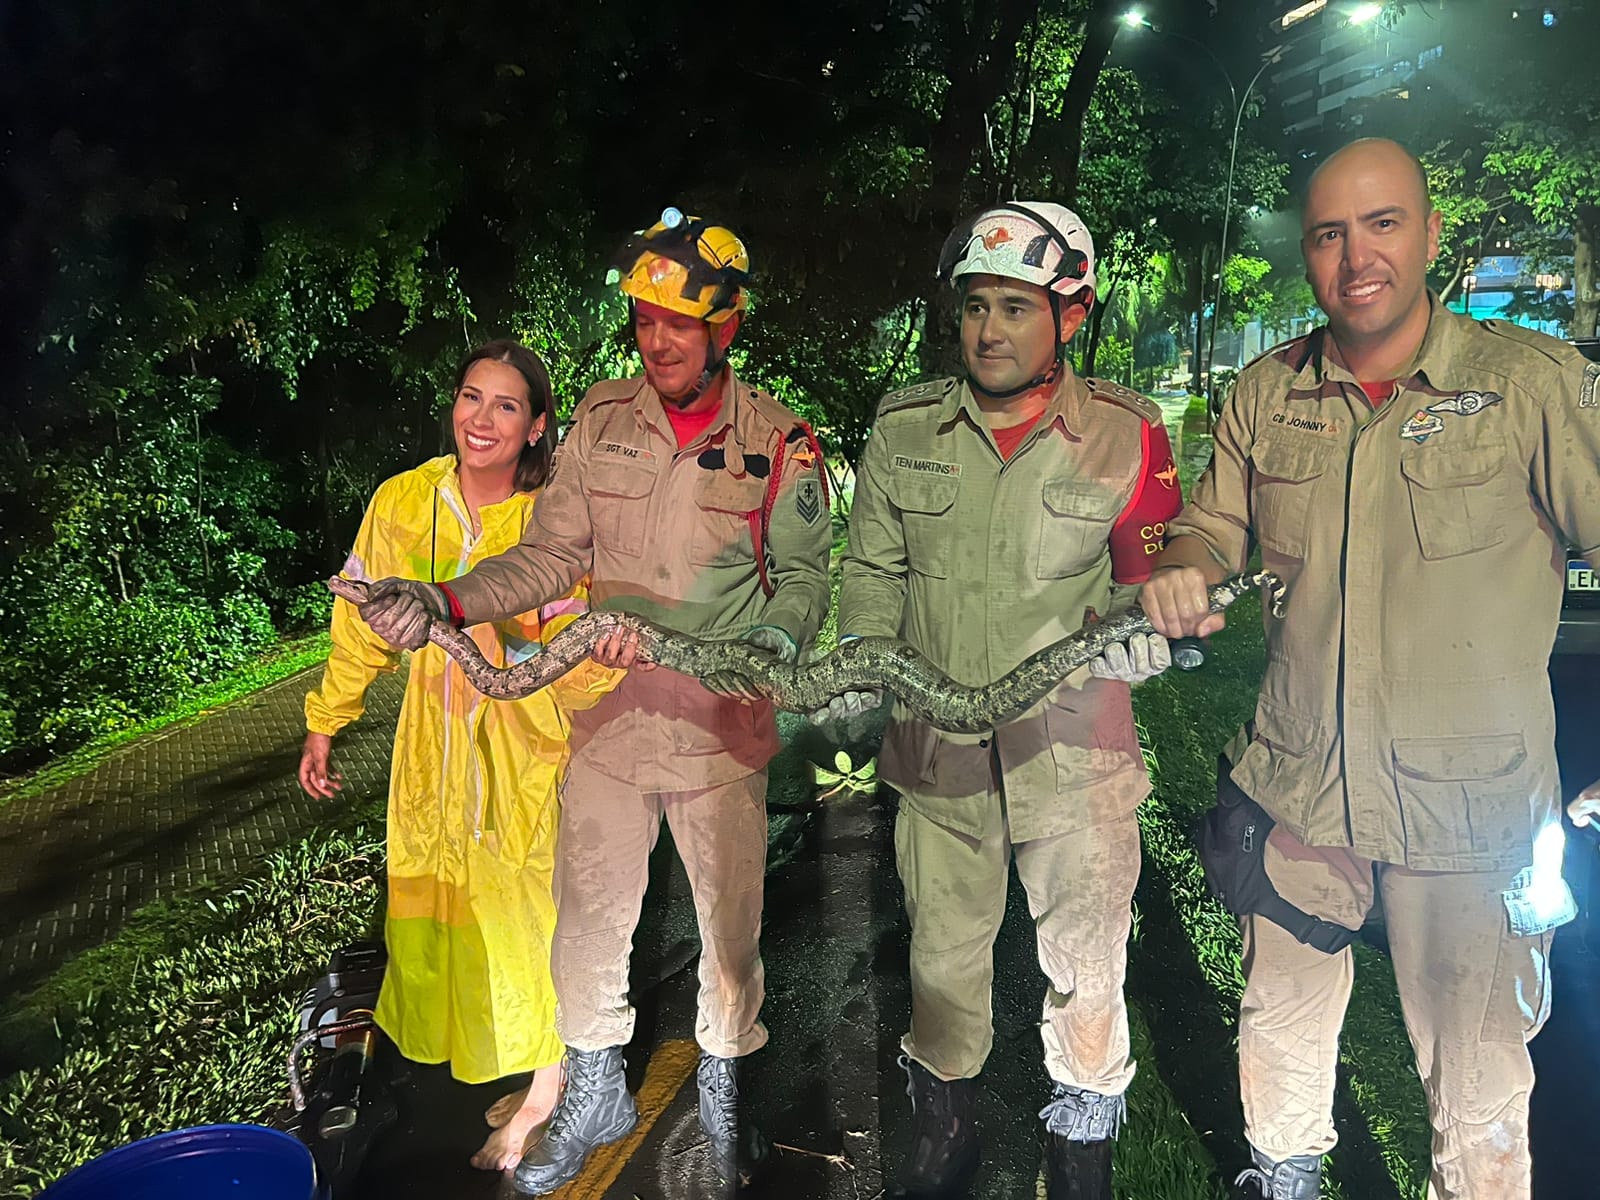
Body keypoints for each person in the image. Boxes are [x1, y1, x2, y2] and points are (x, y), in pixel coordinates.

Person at [1139, 137, 1600, 1199]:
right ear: (1307, 253)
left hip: (1471, 815)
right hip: (1300, 789)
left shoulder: (1531, 388)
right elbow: (1209, 528)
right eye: (1330, 233)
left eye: (1383, 223)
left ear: (1432, 235)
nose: (1358, 257)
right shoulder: (1268, 390)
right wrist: (1186, 564)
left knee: (1479, 1094)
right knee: (1281, 1041)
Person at [350, 210, 833, 1193]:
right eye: (646, 319)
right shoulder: (600, 421)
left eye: (679, 323)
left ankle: (728, 1099)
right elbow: (548, 555)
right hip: (605, 724)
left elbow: (808, 578)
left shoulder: (783, 441)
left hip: (716, 734)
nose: (656, 339)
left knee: (725, 938)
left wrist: (775, 644)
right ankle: (595, 1095)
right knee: (589, 933)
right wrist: (442, 598)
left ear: (725, 330)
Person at [824, 202, 1183, 1200]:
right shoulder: (904, 431)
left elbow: (1150, 581)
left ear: (1069, 316)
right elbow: (874, 573)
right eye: (975, 305)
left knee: (1085, 968)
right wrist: (862, 650)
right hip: (938, 760)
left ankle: (1080, 1147)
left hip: (1075, 761)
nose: (987, 329)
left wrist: (1157, 631)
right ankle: (945, 1132)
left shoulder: (1125, 436)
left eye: (1014, 307)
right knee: (940, 961)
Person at [299, 340, 618, 1173]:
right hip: (431, 748)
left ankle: (549, 1094)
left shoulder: (554, 515)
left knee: (530, 912)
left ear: (537, 424)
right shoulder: (405, 502)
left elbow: (578, 649)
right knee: (449, 907)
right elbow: (358, 622)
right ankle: (529, 1068)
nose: (482, 419)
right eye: (471, 397)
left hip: (525, 749)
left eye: (506, 405)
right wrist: (326, 721)